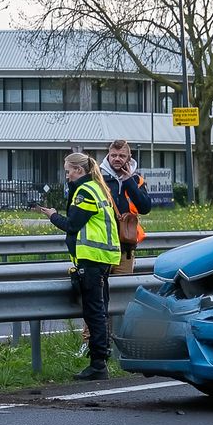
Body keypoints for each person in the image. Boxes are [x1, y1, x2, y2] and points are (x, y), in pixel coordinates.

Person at [35, 153, 121, 381]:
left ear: (78, 171)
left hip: (91, 259)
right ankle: (101, 360)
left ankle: (98, 364)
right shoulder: (96, 187)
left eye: (68, 171)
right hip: (101, 258)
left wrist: (53, 216)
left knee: (94, 312)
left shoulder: (84, 192)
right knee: (99, 311)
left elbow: (72, 224)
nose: (66, 175)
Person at [100, 139, 152, 275]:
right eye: (113, 155)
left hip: (126, 248)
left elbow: (145, 208)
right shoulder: (99, 179)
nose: (117, 159)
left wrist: (128, 181)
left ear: (129, 158)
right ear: (108, 156)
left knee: (121, 291)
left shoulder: (136, 180)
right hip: (101, 248)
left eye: (122, 156)